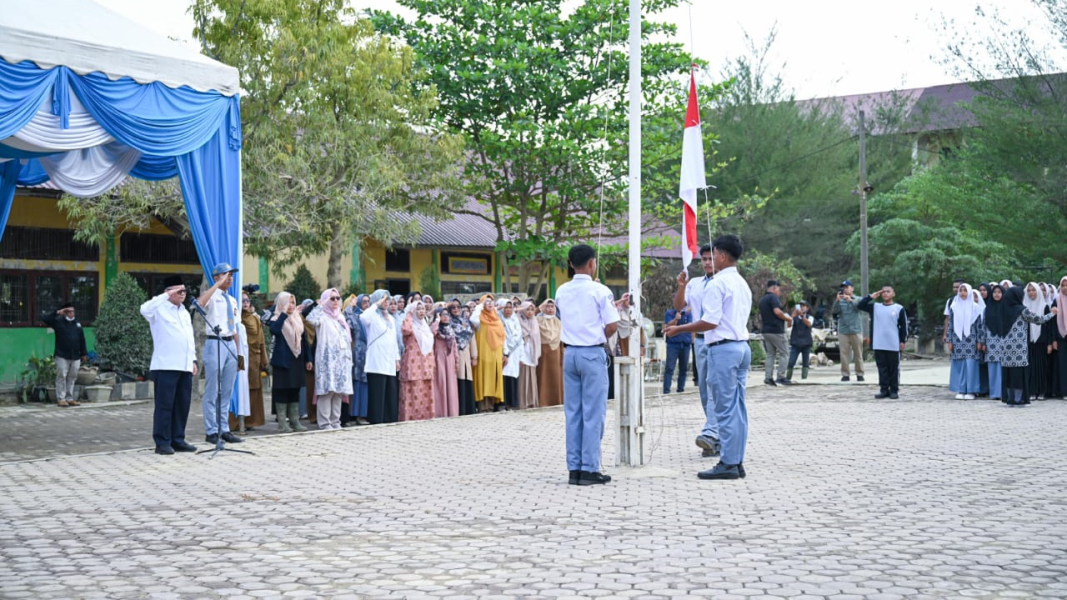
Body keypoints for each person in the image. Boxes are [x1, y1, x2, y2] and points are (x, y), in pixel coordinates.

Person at [665, 235, 752, 480]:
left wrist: (679, 329)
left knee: (724, 409)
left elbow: (711, 321)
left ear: (722, 256)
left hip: (723, 348)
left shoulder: (717, 283)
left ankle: (728, 462)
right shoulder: (741, 282)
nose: (709, 260)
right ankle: (736, 460)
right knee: (737, 409)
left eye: (713, 255)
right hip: (740, 346)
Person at [556, 244, 620, 486]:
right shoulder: (601, 290)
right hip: (592, 353)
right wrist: (598, 334)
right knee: (593, 413)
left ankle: (574, 468)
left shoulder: (562, 290)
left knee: (573, 413)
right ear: (592, 263)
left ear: (571, 264)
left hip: (570, 353)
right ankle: (589, 468)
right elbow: (612, 325)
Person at [670, 244, 720, 458]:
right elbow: (679, 306)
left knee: (715, 388)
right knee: (704, 390)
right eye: (704, 259)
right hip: (700, 341)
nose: (708, 262)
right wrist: (682, 286)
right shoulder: (697, 283)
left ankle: (712, 433)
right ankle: (714, 435)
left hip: (719, 340)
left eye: (711, 258)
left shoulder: (724, 281)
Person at [140, 275, 197, 455]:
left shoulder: (185, 312)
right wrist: (165, 296)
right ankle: (162, 442)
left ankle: (177, 439)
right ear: (168, 292)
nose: (183, 294)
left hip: (185, 364)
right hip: (165, 365)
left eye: (184, 291)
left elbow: (189, 338)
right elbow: (143, 309)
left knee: (182, 405)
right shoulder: (158, 309)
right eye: (179, 291)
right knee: (165, 405)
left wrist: (193, 360)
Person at [196, 263, 243, 445]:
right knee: (212, 390)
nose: (230, 278)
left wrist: (239, 355)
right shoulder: (212, 296)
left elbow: (235, 328)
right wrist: (216, 284)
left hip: (230, 344)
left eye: (231, 275)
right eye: (226, 275)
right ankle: (211, 430)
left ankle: (224, 429)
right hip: (215, 343)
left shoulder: (232, 300)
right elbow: (200, 303)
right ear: (216, 277)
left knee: (227, 390)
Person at [987, 285, 1056, 405]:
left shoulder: (1003, 309)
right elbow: (1039, 320)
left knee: (1009, 373)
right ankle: (1018, 399)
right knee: (1018, 374)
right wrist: (1052, 314)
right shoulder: (1022, 310)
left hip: (1005, 347)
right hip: (1019, 348)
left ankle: (1010, 398)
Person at [306, 288, 354, 430]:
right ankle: (325, 422)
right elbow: (310, 318)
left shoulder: (340, 317)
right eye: (332, 298)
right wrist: (322, 304)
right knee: (327, 391)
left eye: (338, 298)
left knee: (338, 392)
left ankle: (335, 421)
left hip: (342, 361)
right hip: (327, 361)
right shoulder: (322, 317)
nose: (335, 301)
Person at [857, 286, 909, 399]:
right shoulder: (875, 307)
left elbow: (904, 326)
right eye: (883, 292)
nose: (885, 293)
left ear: (893, 294)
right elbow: (860, 305)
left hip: (893, 344)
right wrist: (871, 296)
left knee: (894, 369)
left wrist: (902, 340)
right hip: (879, 343)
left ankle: (894, 390)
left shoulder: (898, 308)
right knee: (882, 368)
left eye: (888, 291)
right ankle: (884, 389)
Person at [268, 292, 308, 433]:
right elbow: (275, 330)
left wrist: (308, 359)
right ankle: (282, 423)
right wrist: (284, 314)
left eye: (292, 302)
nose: (291, 305)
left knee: (294, 389)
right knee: (282, 390)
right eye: (288, 302)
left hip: (296, 359)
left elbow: (304, 341)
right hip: (282, 361)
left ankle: (294, 420)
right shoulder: (276, 318)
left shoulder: (297, 319)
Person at [230, 292, 268, 433]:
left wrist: (264, 359)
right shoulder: (236, 319)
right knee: (238, 388)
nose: (246, 303)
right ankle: (234, 422)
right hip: (241, 357)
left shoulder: (255, 318)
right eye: (243, 301)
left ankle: (250, 420)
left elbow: (262, 340)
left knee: (253, 389)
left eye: (248, 300)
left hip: (254, 359)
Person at [362, 290, 400, 424]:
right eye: (383, 299)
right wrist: (376, 304)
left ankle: (389, 419)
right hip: (376, 361)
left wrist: (397, 358)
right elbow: (363, 317)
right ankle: (376, 421)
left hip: (389, 361)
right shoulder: (372, 316)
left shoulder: (390, 318)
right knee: (377, 394)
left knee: (390, 393)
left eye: (387, 299)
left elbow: (394, 340)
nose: (386, 302)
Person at [41, 301, 87, 407]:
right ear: (65, 312)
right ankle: (61, 399)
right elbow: (45, 319)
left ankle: (69, 398)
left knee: (73, 376)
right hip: (62, 355)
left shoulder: (77, 324)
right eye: (69, 311)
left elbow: (82, 339)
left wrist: (84, 353)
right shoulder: (58, 322)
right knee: (61, 375)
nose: (72, 313)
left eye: (73, 311)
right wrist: (58, 312)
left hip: (75, 355)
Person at [946, 284, 984, 400]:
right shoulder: (954, 307)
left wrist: (980, 341)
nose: (962, 293)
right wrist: (949, 340)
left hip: (971, 340)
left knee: (971, 365)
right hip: (958, 340)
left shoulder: (976, 308)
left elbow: (979, 326)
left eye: (965, 291)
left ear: (969, 293)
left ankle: (971, 390)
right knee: (960, 365)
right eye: (961, 290)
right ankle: (961, 389)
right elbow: (950, 324)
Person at [399, 301, 435, 421]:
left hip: (425, 364)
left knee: (425, 389)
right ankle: (410, 418)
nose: (421, 311)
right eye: (418, 309)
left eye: (423, 309)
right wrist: (409, 313)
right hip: (412, 364)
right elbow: (406, 330)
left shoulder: (425, 326)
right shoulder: (410, 324)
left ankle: (425, 417)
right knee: (412, 391)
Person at [471, 294, 505, 412]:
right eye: (487, 302)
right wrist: (479, 306)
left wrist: (505, 353)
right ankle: (482, 407)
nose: (490, 304)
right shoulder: (479, 319)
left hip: (496, 355)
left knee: (493, 380)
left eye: (491, 301)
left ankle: (491, 406)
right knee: (483, 379)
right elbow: (472, 319)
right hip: (483, 355)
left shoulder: (497, 319)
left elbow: (502, 337)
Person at [758, 280, 793, 386]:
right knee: (784, 353)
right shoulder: (773, 298)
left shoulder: (763, 300)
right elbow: (777, 312)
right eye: (779, 289)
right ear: (774, 288)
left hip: (766, 330)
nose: (780, 292)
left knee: (770, 354)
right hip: (776, 330)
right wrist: (788, 319)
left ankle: (768, 377)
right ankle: (781, 377)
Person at [1023, 282, 1053, 400]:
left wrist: (1050, 343)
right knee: (1030, 367)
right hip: (1028, 341)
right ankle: (1031, 391)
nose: (1031, 293)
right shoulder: (1024, 307)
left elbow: (1049, 326)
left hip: (1042, 341)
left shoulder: (1045, 306)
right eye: (1029, 290)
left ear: (1038, 292)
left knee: (1041, 367)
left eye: (1033, 290)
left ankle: (1041, 391)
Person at [831, 280, 865, 382]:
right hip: (843, 330)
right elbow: (834, 311)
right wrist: (837, 300)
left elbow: (859, 308)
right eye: (843, 287)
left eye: (847, 287)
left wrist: (850, 300)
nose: (845, 289)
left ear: (852, 288)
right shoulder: (840, 300)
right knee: (844, 354)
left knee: (858, 354)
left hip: (855, 330)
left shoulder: (858, 299)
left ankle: (860, 374)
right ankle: (845, 374)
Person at [345, 294, 371, 426]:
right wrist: (351, 305)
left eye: (368, 301)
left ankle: (365, 414)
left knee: (367, 385)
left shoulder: (372, 317)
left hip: (371, 354)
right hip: (359, 355)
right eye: (364, 302)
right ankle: (356, 415)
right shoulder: (355, 317)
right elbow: (345, 318)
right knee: (359, 385)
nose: (367, 304)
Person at [449, 301, 479, 415]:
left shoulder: (466, 322)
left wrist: (474, 356)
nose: (456, 309)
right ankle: (460, 409)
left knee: (467, 380)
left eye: (458, 307)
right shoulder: (449, 322)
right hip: (455, 355)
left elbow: (472, 339)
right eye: (453, 307)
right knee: (458, 380)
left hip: (466, 354)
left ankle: (469, 409)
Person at [431, 307, 460, 417]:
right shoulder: (436, 329)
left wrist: (457, 361)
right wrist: (437, 321)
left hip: (450, 359)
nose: (445, 317)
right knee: (440, 385)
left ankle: (452, 412)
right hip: (439, 359)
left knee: (451, 386)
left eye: (447, 314)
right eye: (442, 314)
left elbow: (454, 347)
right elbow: (432, 332)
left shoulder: (451, 329)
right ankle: (440, 413)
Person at [536, 299, 564, 407]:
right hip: (543, 353)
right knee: (543, 377)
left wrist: (562, 355)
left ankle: (556, 400)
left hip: (556, 352)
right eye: (548, 307)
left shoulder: (558, 321)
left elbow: (562, 341)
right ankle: (543, 401)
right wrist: (539, 308)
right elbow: (530, 315)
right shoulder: (538, 320)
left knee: (556, 377)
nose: (550, 309)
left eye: (552, 307)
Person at [499, 299, 524, 410]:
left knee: (513, 377)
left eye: (510, 307)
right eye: (506, 307)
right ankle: (503, 403)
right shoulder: (499, 320)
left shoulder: (515, 320)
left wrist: (521, 357)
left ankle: (512, 403)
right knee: (504, 377)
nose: (508, 310)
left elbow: (520, 338)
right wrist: (505, 353)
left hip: (515, 352)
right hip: (504, 352)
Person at [662, 305, 692, 394]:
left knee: (683, 368)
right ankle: (667, 390)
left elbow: (690, 326)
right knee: (669, 368)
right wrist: (676, 319)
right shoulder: (669, 313)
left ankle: (681, 389)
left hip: (685, 344)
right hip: (673, 344)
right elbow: (668, 325)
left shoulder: (688, 314)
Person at [518, 301, 541, 409]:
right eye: (527, 309)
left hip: (532, 353)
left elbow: (536, 338)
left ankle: (532, 401)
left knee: (531, 377)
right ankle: (523, 402)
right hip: (522, 353)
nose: (530, 312)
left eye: (532, 309)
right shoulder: (518, 320)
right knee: (522, 378)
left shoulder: (534, 322)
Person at [785, 301, 814, 382]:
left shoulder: (810, 317)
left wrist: (802, 317)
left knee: (805, 363)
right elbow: (789, 325)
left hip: (806, 343)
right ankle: (788, 378)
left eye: (803, 306)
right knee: (791, 362)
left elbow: (808, 324)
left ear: (807, 308)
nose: (801, 307)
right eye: (800, 306)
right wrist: (792, 316)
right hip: (795, 342)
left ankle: (804, 379)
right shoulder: (794, 318)